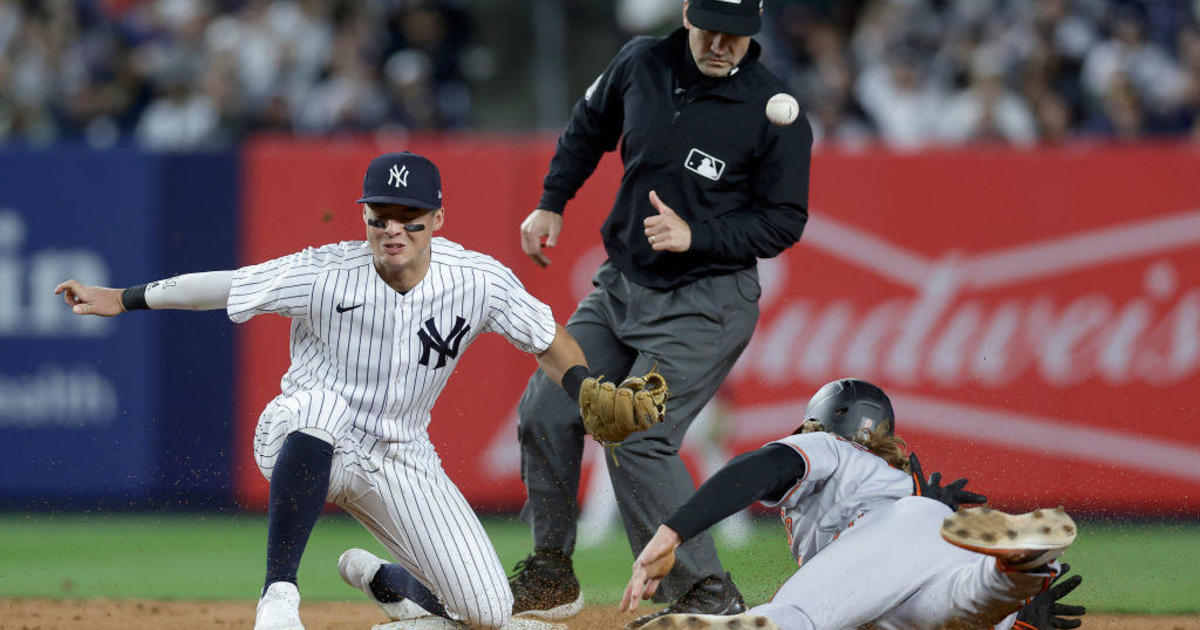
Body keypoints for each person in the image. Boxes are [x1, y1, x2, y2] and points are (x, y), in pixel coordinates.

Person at [54, 152, 608, 630]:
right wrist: (123, 298)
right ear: (364, 216)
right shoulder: (324, 271)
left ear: (438, 217)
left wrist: (585, 389)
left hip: (400, 456)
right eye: (379, 216)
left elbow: (547, 338)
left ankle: (388, 583)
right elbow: (225, 286)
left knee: (488, 609)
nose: (393, 229)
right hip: (300, 432)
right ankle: (279, 595)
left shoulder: (477, 279)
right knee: (323, 404)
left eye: (409, 218)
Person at [510, 0, 813, 625]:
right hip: (622, 285)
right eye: (712, 29)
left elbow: (785, 220)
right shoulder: (641, 62)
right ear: (685, 14)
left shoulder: (773, 110)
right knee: (546, 408)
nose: (723, 44)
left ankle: (706, 592)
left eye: (738, 34)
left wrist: (696, 235)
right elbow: (589, 125)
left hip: (707, 298)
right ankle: (551, 573)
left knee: (637, 431)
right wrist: (551, 202)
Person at [620, 378, 1086, 630]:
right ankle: (1013, 577)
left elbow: (757, 470)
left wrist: (675, 530)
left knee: (796, 619)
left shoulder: (831, 449)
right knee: (959, 608)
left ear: (818, 421)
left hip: (896, 530)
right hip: (932, 545)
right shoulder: (898, 481)